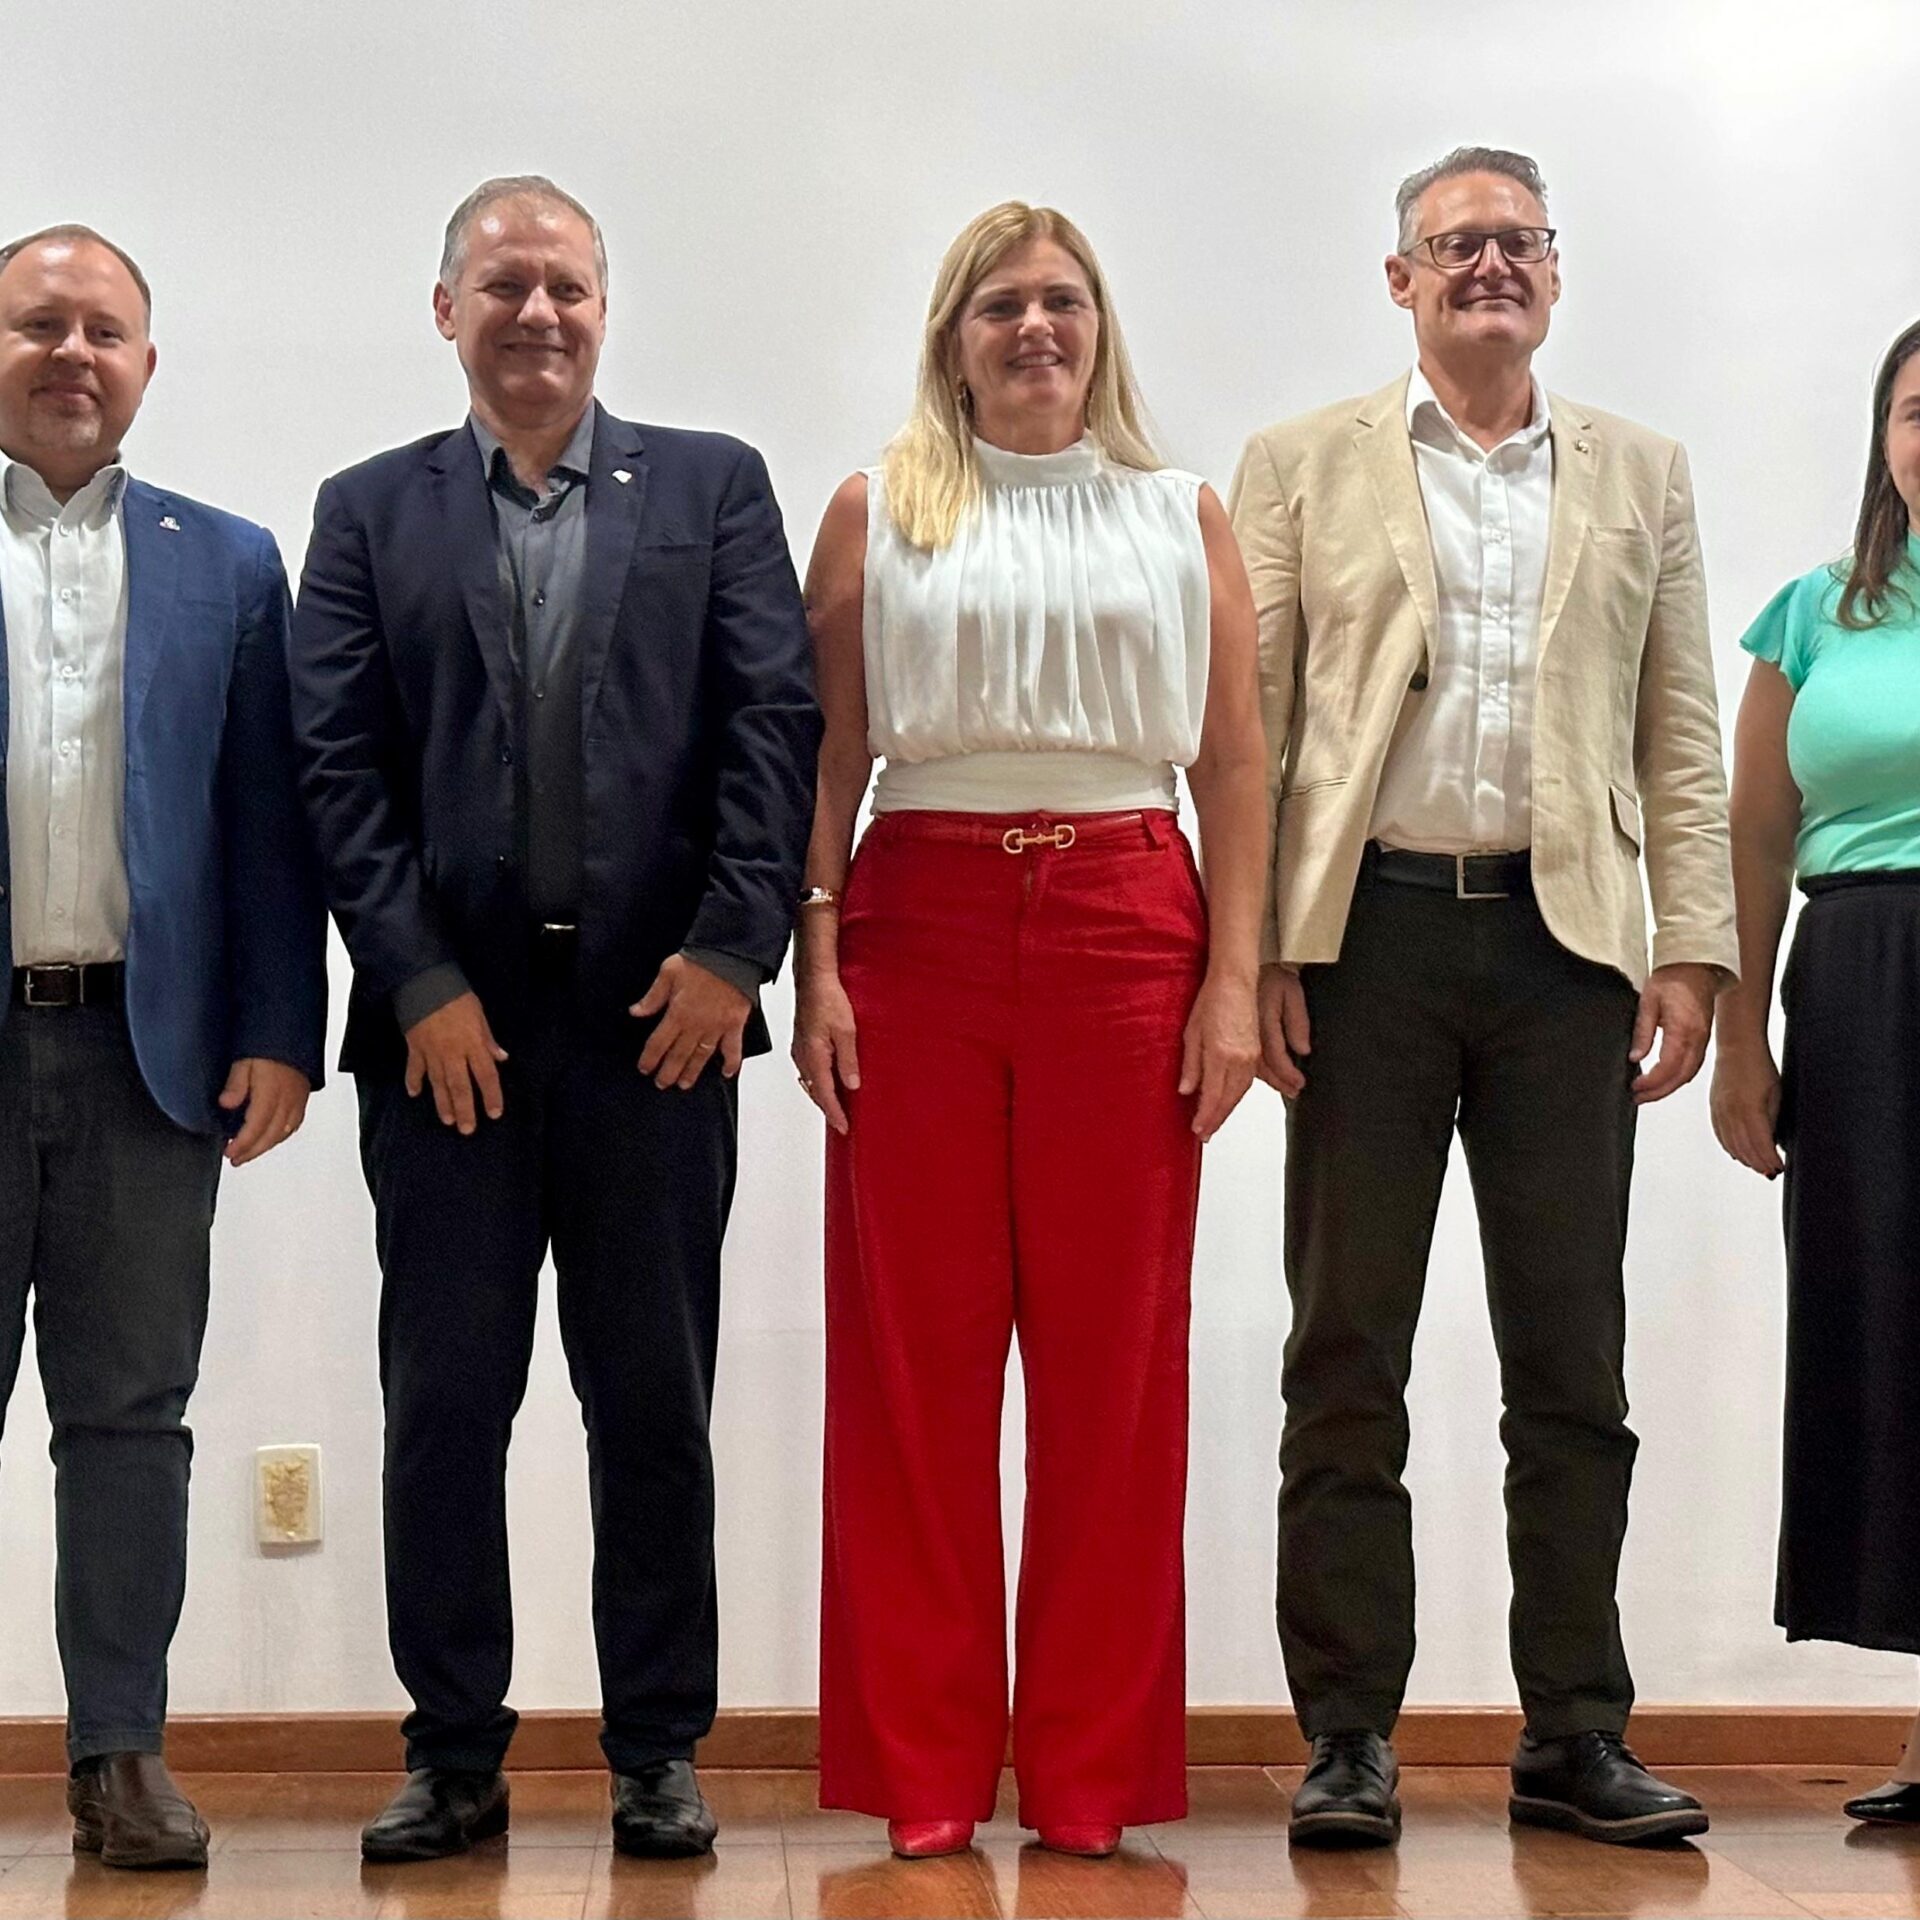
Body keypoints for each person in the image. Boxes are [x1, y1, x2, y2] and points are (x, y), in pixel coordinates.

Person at [288, 176, 819, 1863]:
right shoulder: (367, 512)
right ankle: (453, 1752)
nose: (538, 313)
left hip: (660, 1025)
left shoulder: (715, 487)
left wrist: (735, 954)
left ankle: (659, 1749)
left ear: (605, 308)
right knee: (447, 1407)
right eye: (504, 284)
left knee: (651, 1404)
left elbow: (774, 727)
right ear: (445, 310)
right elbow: (336, 768)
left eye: (566, 286)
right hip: (448, 1043)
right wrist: (416, 981)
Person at [1228, 147, 1736, 1848]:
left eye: (1519, 241)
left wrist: (1691, 946)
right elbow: (1254, 729)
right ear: (1402, 278)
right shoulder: (1300, 464)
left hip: (1565, 954)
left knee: (1571, 1363)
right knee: (1345, 1350)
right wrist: (1254, 952)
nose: (1490, 266)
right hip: (1361, 944)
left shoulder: (1641, 471)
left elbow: (1680, 729)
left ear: (1557, 270)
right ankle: (1347, 1737)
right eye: (1457, 245)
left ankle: (1575, 1733)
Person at [796, 201, 1267, 1860]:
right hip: (915, 926)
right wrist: (817, 960)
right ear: (955, 337)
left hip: (1129, 926)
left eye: (1063, 300)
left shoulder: (1177, 513)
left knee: (1112, 1371)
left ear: (1099, 329)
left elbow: (1234, 766)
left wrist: (1232, 979)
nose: (1036, 327)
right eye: (1001, 304)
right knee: (912, 1366)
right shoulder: (874, 509)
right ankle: (923, 1772)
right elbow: (828, 756)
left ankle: (1088, 1776)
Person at [0, 225, 326, 1869]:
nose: (72, 352)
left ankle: (119, 1754)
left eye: (103, 329)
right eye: (37, 323)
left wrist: (279, 1030)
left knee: (131, 1419)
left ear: (146, 363)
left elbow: (270, 822)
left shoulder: (230, 564)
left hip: (148, 1057)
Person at [1711, 319, 1920, 1823]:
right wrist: (1740, 1038)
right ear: (1884, 439)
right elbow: (1753, 835)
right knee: (1893, 1332)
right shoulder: (1815, 614)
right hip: (1859, 985)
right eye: (1919, 410)